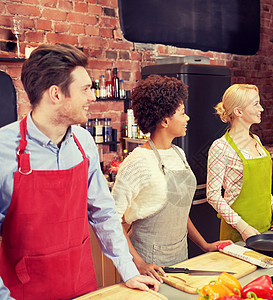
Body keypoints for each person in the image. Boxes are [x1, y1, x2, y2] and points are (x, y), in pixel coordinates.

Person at [0, 44, 160, 300]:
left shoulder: (83, 142)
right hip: (23, 291)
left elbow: (104, 213)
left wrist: (128, 271)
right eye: (85, 89)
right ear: (55, 94)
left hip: (81, 285)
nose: (92, 98)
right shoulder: (3, 149)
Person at [111, 75, 229, 281]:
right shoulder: (137, 162)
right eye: (182, 113)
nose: (187, 118)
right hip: (148, 264)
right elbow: (113, 221)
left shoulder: (177, 154)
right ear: (165, 120)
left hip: (181, 258)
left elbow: (179, 210)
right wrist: (140, 264)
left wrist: (205, 245)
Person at [207, 84, 273, 243]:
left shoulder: (256, 140)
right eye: (256, 104)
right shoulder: (220, 147)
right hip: (238, 233)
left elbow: (262, 187)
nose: (262, 109)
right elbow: (213, 195)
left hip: (266, 227)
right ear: (238, 112)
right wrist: (243, 228)